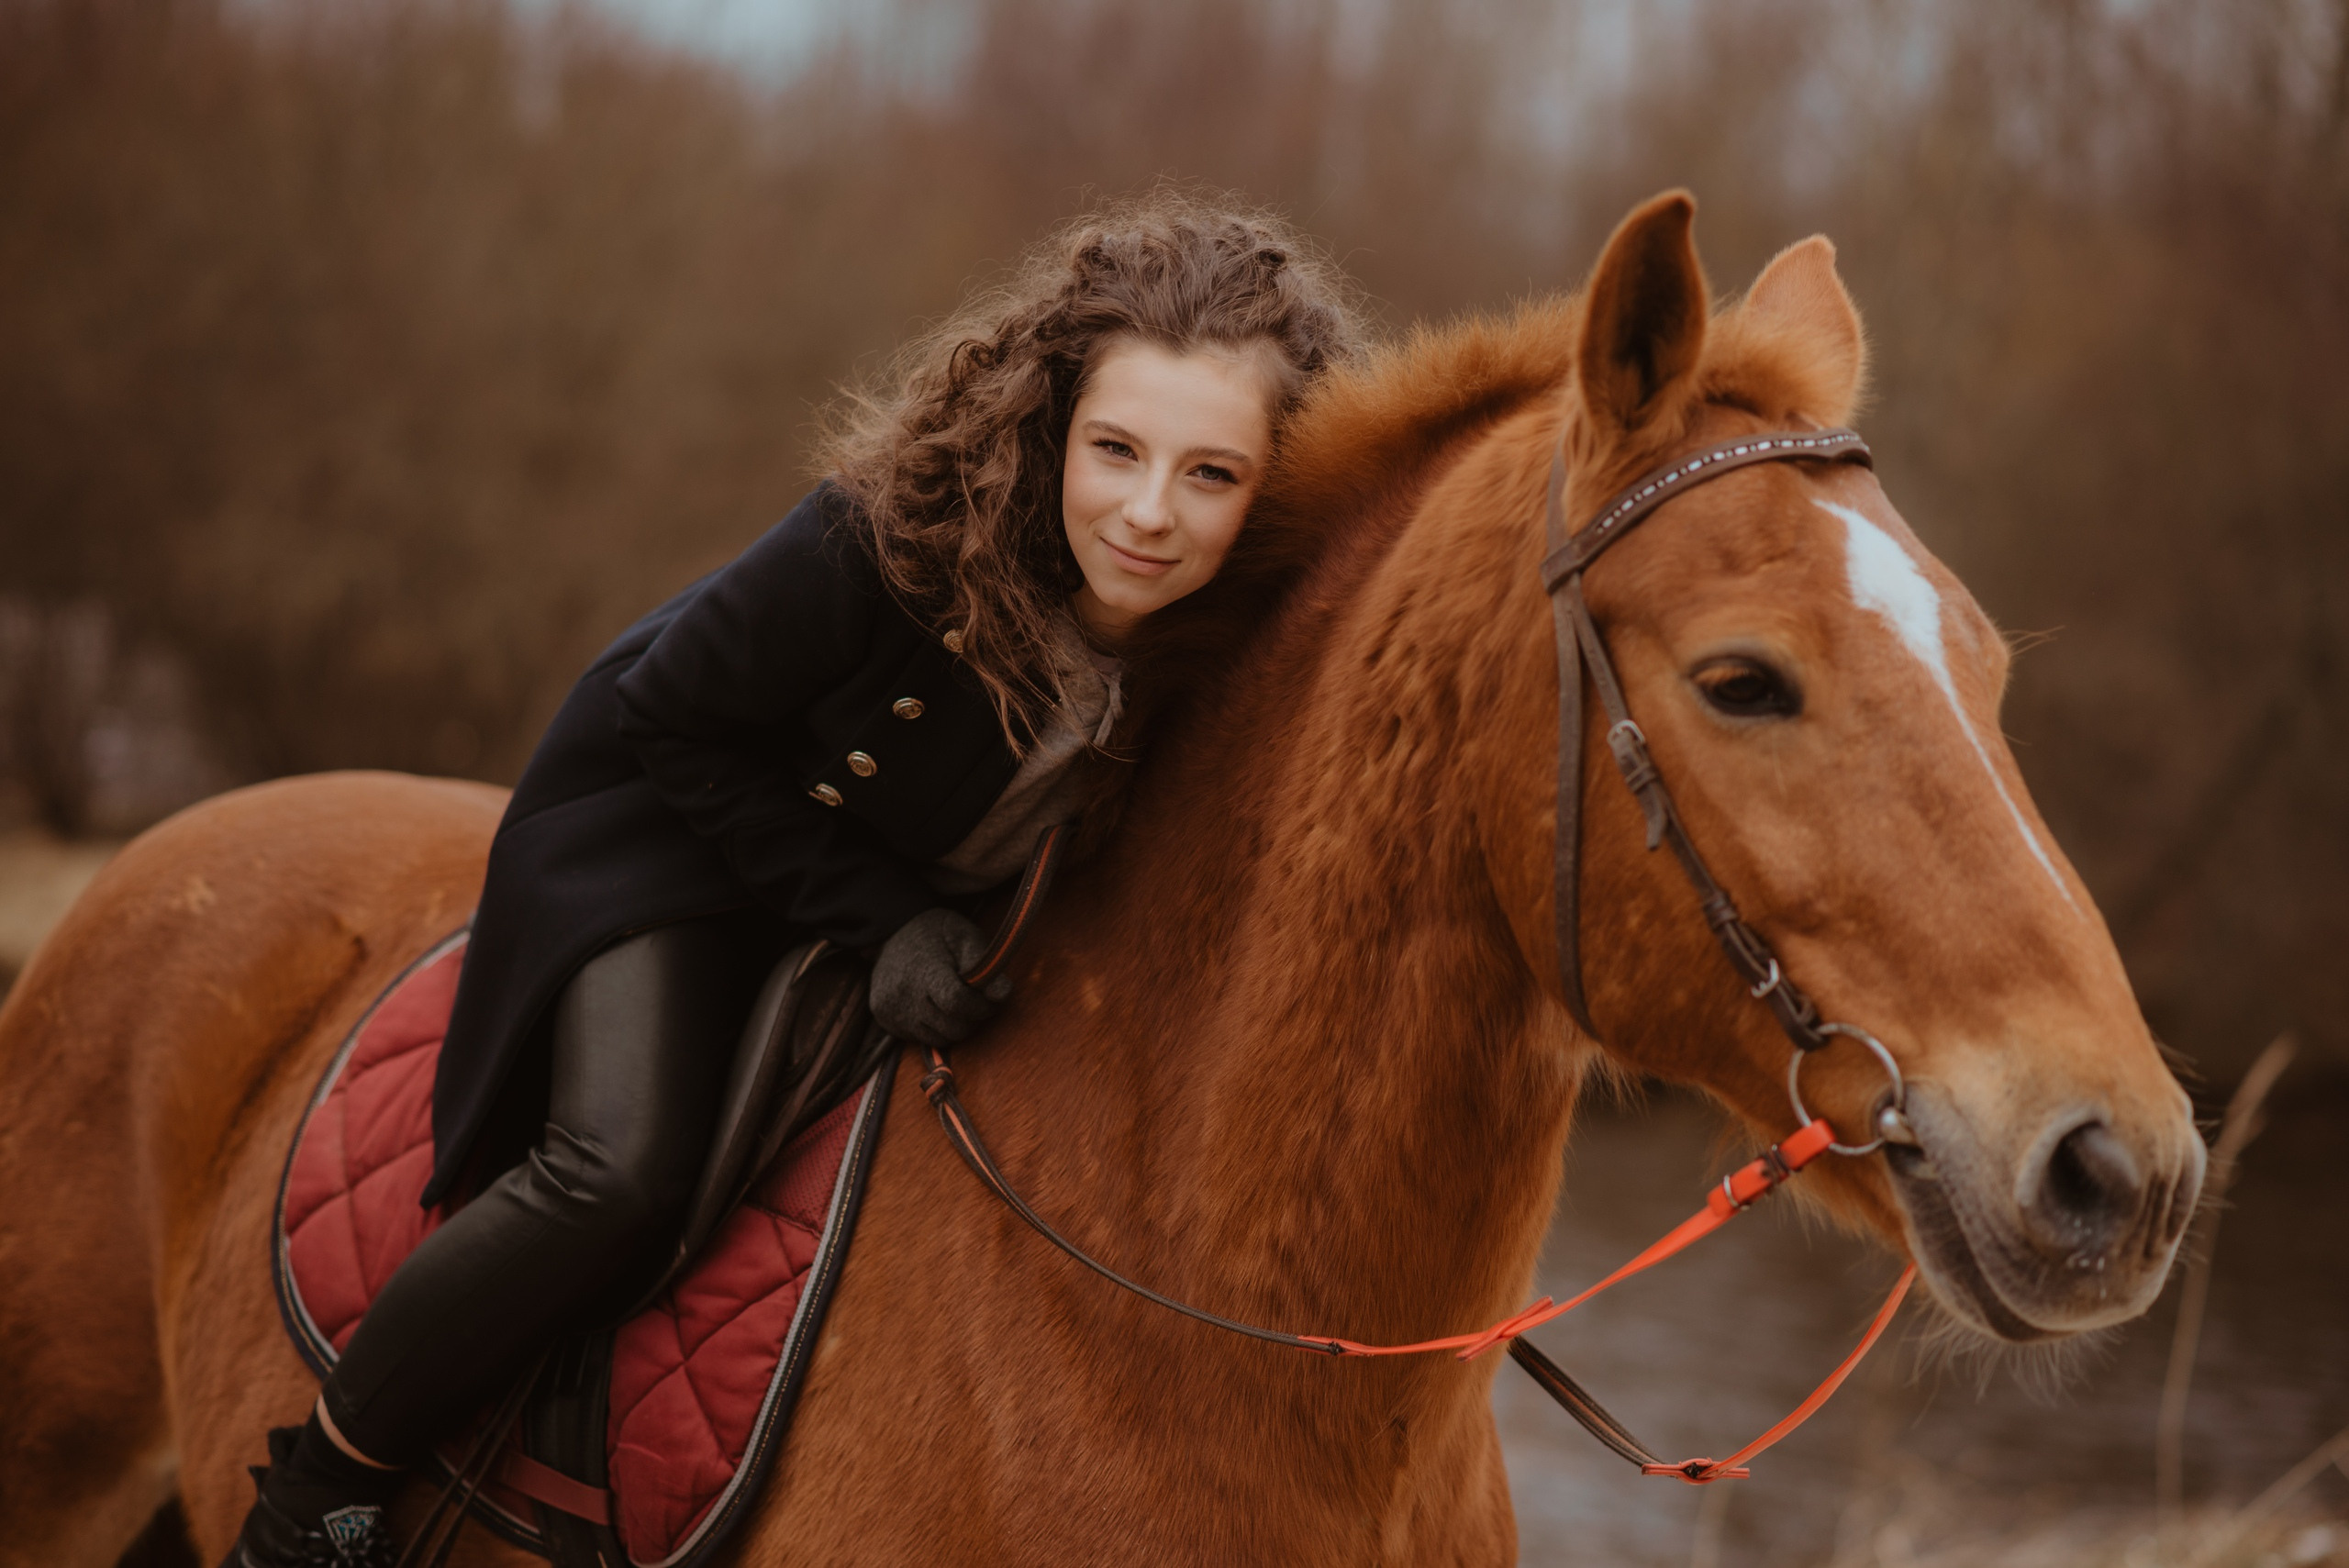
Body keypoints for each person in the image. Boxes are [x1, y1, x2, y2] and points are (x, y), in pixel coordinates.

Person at [221, 191, 1363, 1567]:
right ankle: (317, 1494)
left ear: (1274, 481)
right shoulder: (878, 542)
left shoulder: (1237, 641)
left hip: (923, 897)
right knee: (616, 1172)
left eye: (1211, 474)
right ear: (1052, 422)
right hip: (679, 838)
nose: (1148, 512)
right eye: (1115, 448)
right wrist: (880, 918)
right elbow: (671, 720)